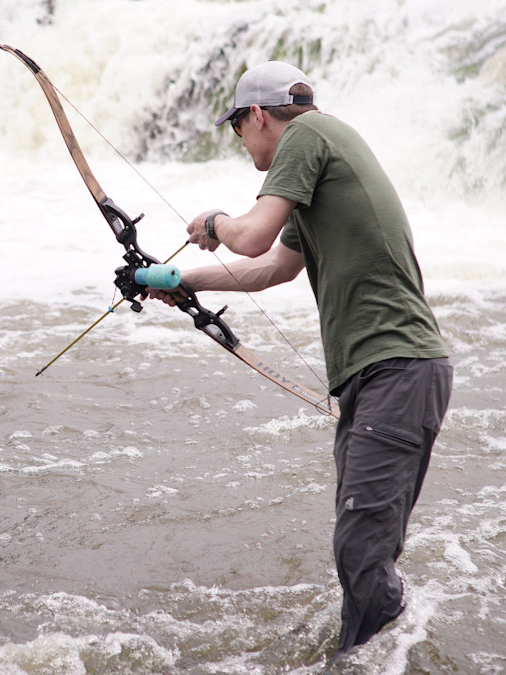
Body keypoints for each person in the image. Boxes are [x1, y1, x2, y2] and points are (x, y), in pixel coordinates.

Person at [150, 61, 453, 656]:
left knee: (360, 550)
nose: (241, 142)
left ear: (257, 115)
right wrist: (181, 279)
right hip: (382, 374)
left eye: (237, 129)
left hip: (397, 368)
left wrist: (215, 222)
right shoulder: (321, 155)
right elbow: (273, 268)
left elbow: (251, 238)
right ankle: (375, 654)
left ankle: (375, 658)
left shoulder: (306, 135)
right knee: (361, 548)